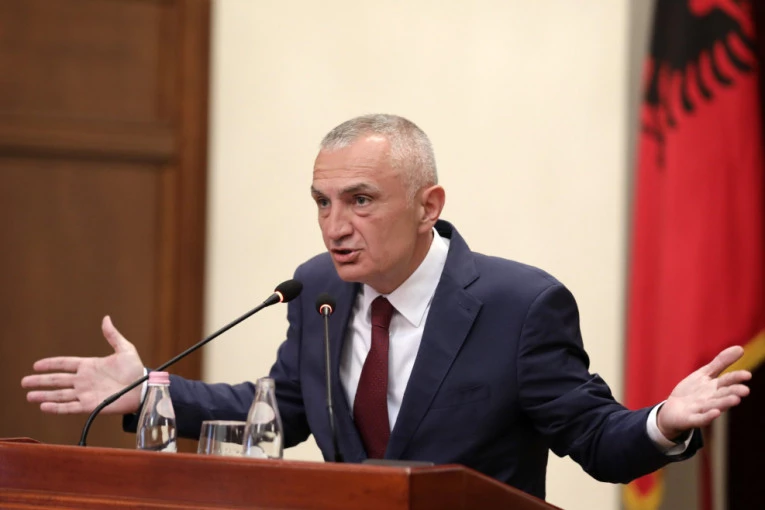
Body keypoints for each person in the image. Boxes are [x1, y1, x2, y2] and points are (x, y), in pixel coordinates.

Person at [21, 114, 751, 500]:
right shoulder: (318, 288)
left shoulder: (520, 305)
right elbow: (283, 409)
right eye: (322, 202)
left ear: (428, 205)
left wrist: (662, 420)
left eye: (360, 201)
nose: (334, 226)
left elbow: (594, 438)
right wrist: (148, 389)